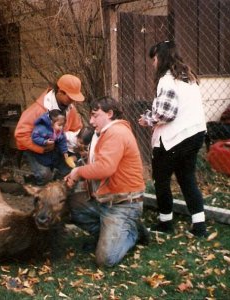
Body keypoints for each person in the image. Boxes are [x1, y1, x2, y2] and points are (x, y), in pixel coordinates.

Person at [65, 96, 149, 268]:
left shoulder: (116, 132)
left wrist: (77, 172)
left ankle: (132, 232)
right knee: (67, 206)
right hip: (104, 200)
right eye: (90, 116)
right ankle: (108, 234)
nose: (91, 120)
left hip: (122, 204)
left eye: (95, 115)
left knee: (105, 260)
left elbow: (105, 168)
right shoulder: (103, 133)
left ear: (110, 113)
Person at [138, 40, 208, 237]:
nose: (153, 63)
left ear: (161, 58)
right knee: (187, 179)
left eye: (154, 58)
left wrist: (147, 119)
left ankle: (165, 223)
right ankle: (199, 226)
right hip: (195, 134)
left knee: (161, 179)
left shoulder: (167, 80)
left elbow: (165, 114)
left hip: (175, 137)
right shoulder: (189, 78)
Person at [15, 74, 84, 185]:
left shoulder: (70, 109)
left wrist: (78, 142)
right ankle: (40, 196)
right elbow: (21, 134)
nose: (73, 101)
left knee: (71, 170)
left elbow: (76, 128)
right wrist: (41, 148)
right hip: (33, 146)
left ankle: (59, 192)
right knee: (44, 175)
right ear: (60, 92)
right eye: (70, 97)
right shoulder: (38, 110)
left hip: (57, 145)